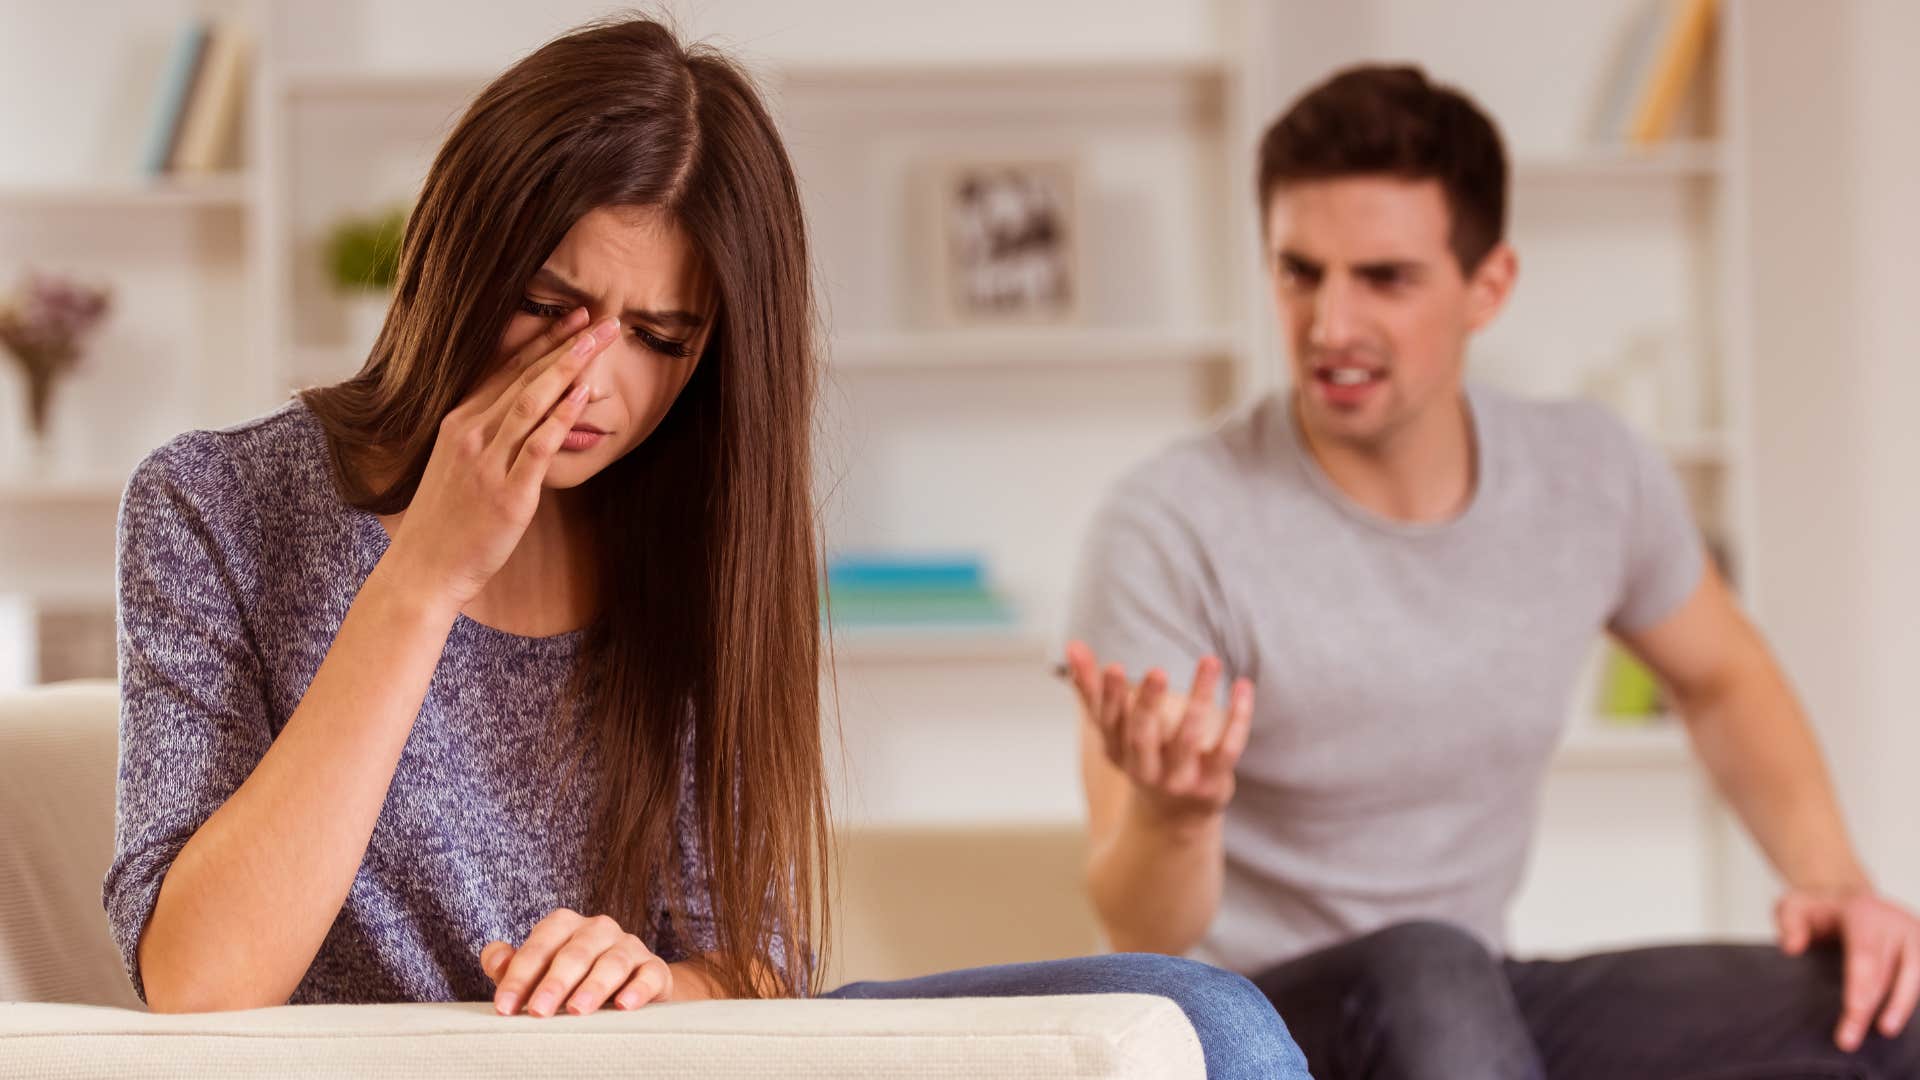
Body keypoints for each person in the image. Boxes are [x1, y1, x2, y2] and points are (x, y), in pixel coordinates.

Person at [104, 17, 1306, 1077]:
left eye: (658, 336)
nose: (589, 378)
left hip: (671, 1060)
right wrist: (425, 575)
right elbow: (201, 979)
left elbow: (767, 968)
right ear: (458, 258)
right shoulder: (214, 506)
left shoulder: (688, 529)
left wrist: (647, 981)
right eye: (548, 303)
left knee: (1207, 1020)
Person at [1065, 63, 1920, 1079]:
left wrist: (1834, 881)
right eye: (1300, 272)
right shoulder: (1171, 522)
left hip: (1470, 1004)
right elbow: (1137, 923)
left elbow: (1721, 674)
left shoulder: (1590, 473)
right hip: (1254, 1026)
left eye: (1384, 278)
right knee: (1430, 968)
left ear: (1490, 285)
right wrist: (1175, 812)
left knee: (1877, 1007)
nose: (1330, 326)